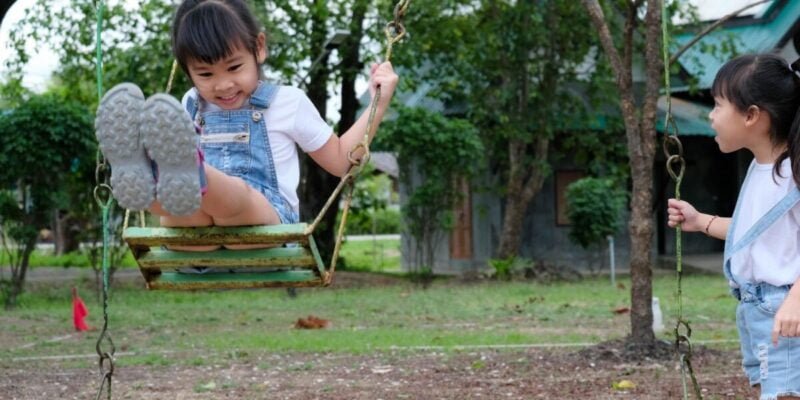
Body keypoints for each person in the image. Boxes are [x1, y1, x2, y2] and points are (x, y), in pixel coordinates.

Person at [95, 0, 398, 251]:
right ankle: (145, 181)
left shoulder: (287, 102)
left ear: (259, 48)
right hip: (195, 240)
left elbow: (339, 161)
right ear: (187, 70)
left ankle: (183, 172)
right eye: (205, 74)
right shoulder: (190, 103)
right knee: (182, 208)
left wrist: (377, 104)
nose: (223, 84)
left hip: (263, 224)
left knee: (236, 196)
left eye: (234, 67)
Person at [667, 53, 800, 400]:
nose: (711, 116)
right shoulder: (760, 168)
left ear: (752, 115)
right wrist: (700, 222)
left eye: (717, 105)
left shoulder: (792, 175)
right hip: (755, 310)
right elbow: (759, 233)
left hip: (784, 311)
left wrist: (796, 302)